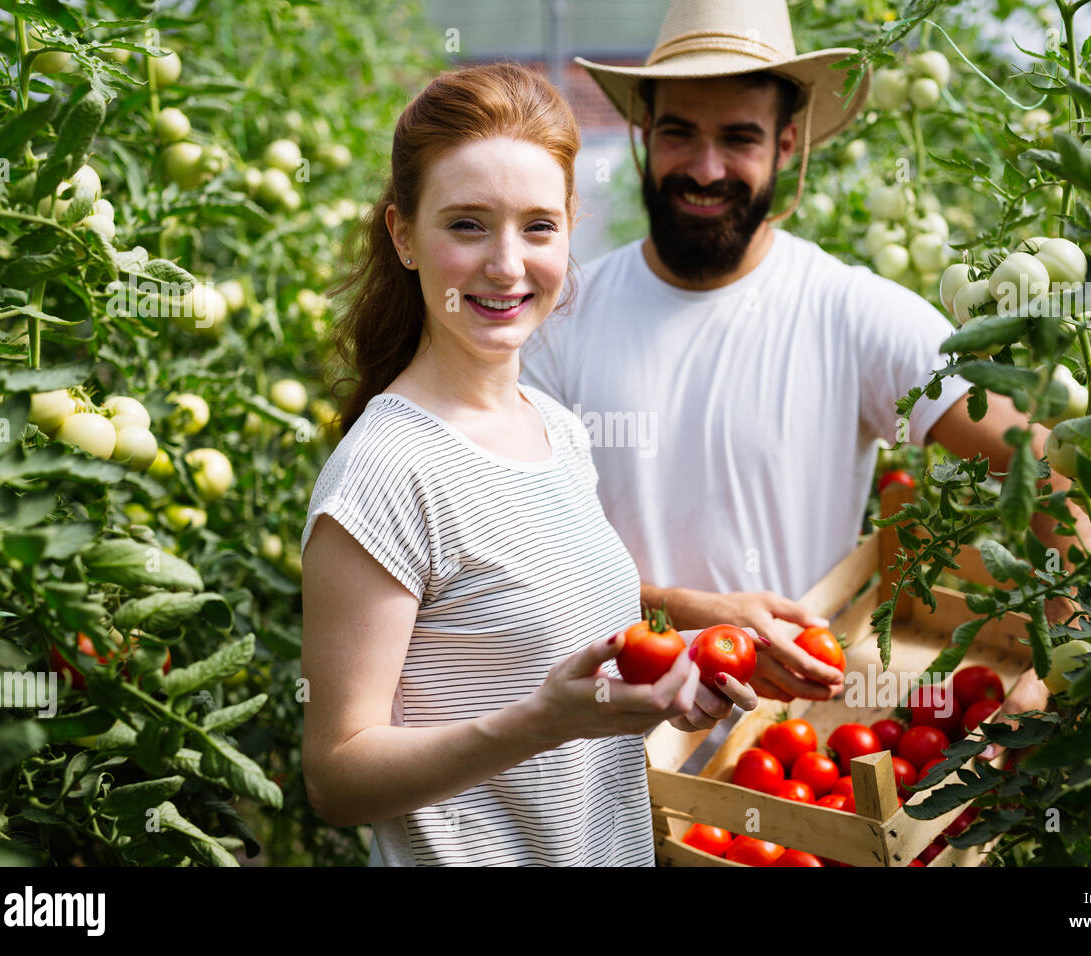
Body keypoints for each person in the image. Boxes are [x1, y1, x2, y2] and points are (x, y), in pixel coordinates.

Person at [520, 0, 1091, 719]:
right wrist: (679, 609)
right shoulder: (559, 321)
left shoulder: (851, 312)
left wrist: (1055, 667)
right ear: (642, 133)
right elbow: (521, 548)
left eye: (739, 138)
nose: (705, 168)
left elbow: (1047, 470)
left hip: (782, 759)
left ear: (788, 144)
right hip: (596, 747)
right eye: (678, 133)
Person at [299, 63, 756, 867]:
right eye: (467, 225)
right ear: (403, 235)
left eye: (538, 227)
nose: (508, 266)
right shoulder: (386, 471)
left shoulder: (553, 428)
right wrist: (539, 722)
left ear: (572, 228)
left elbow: (551, 686)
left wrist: (661, 691)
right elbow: (337, 779)